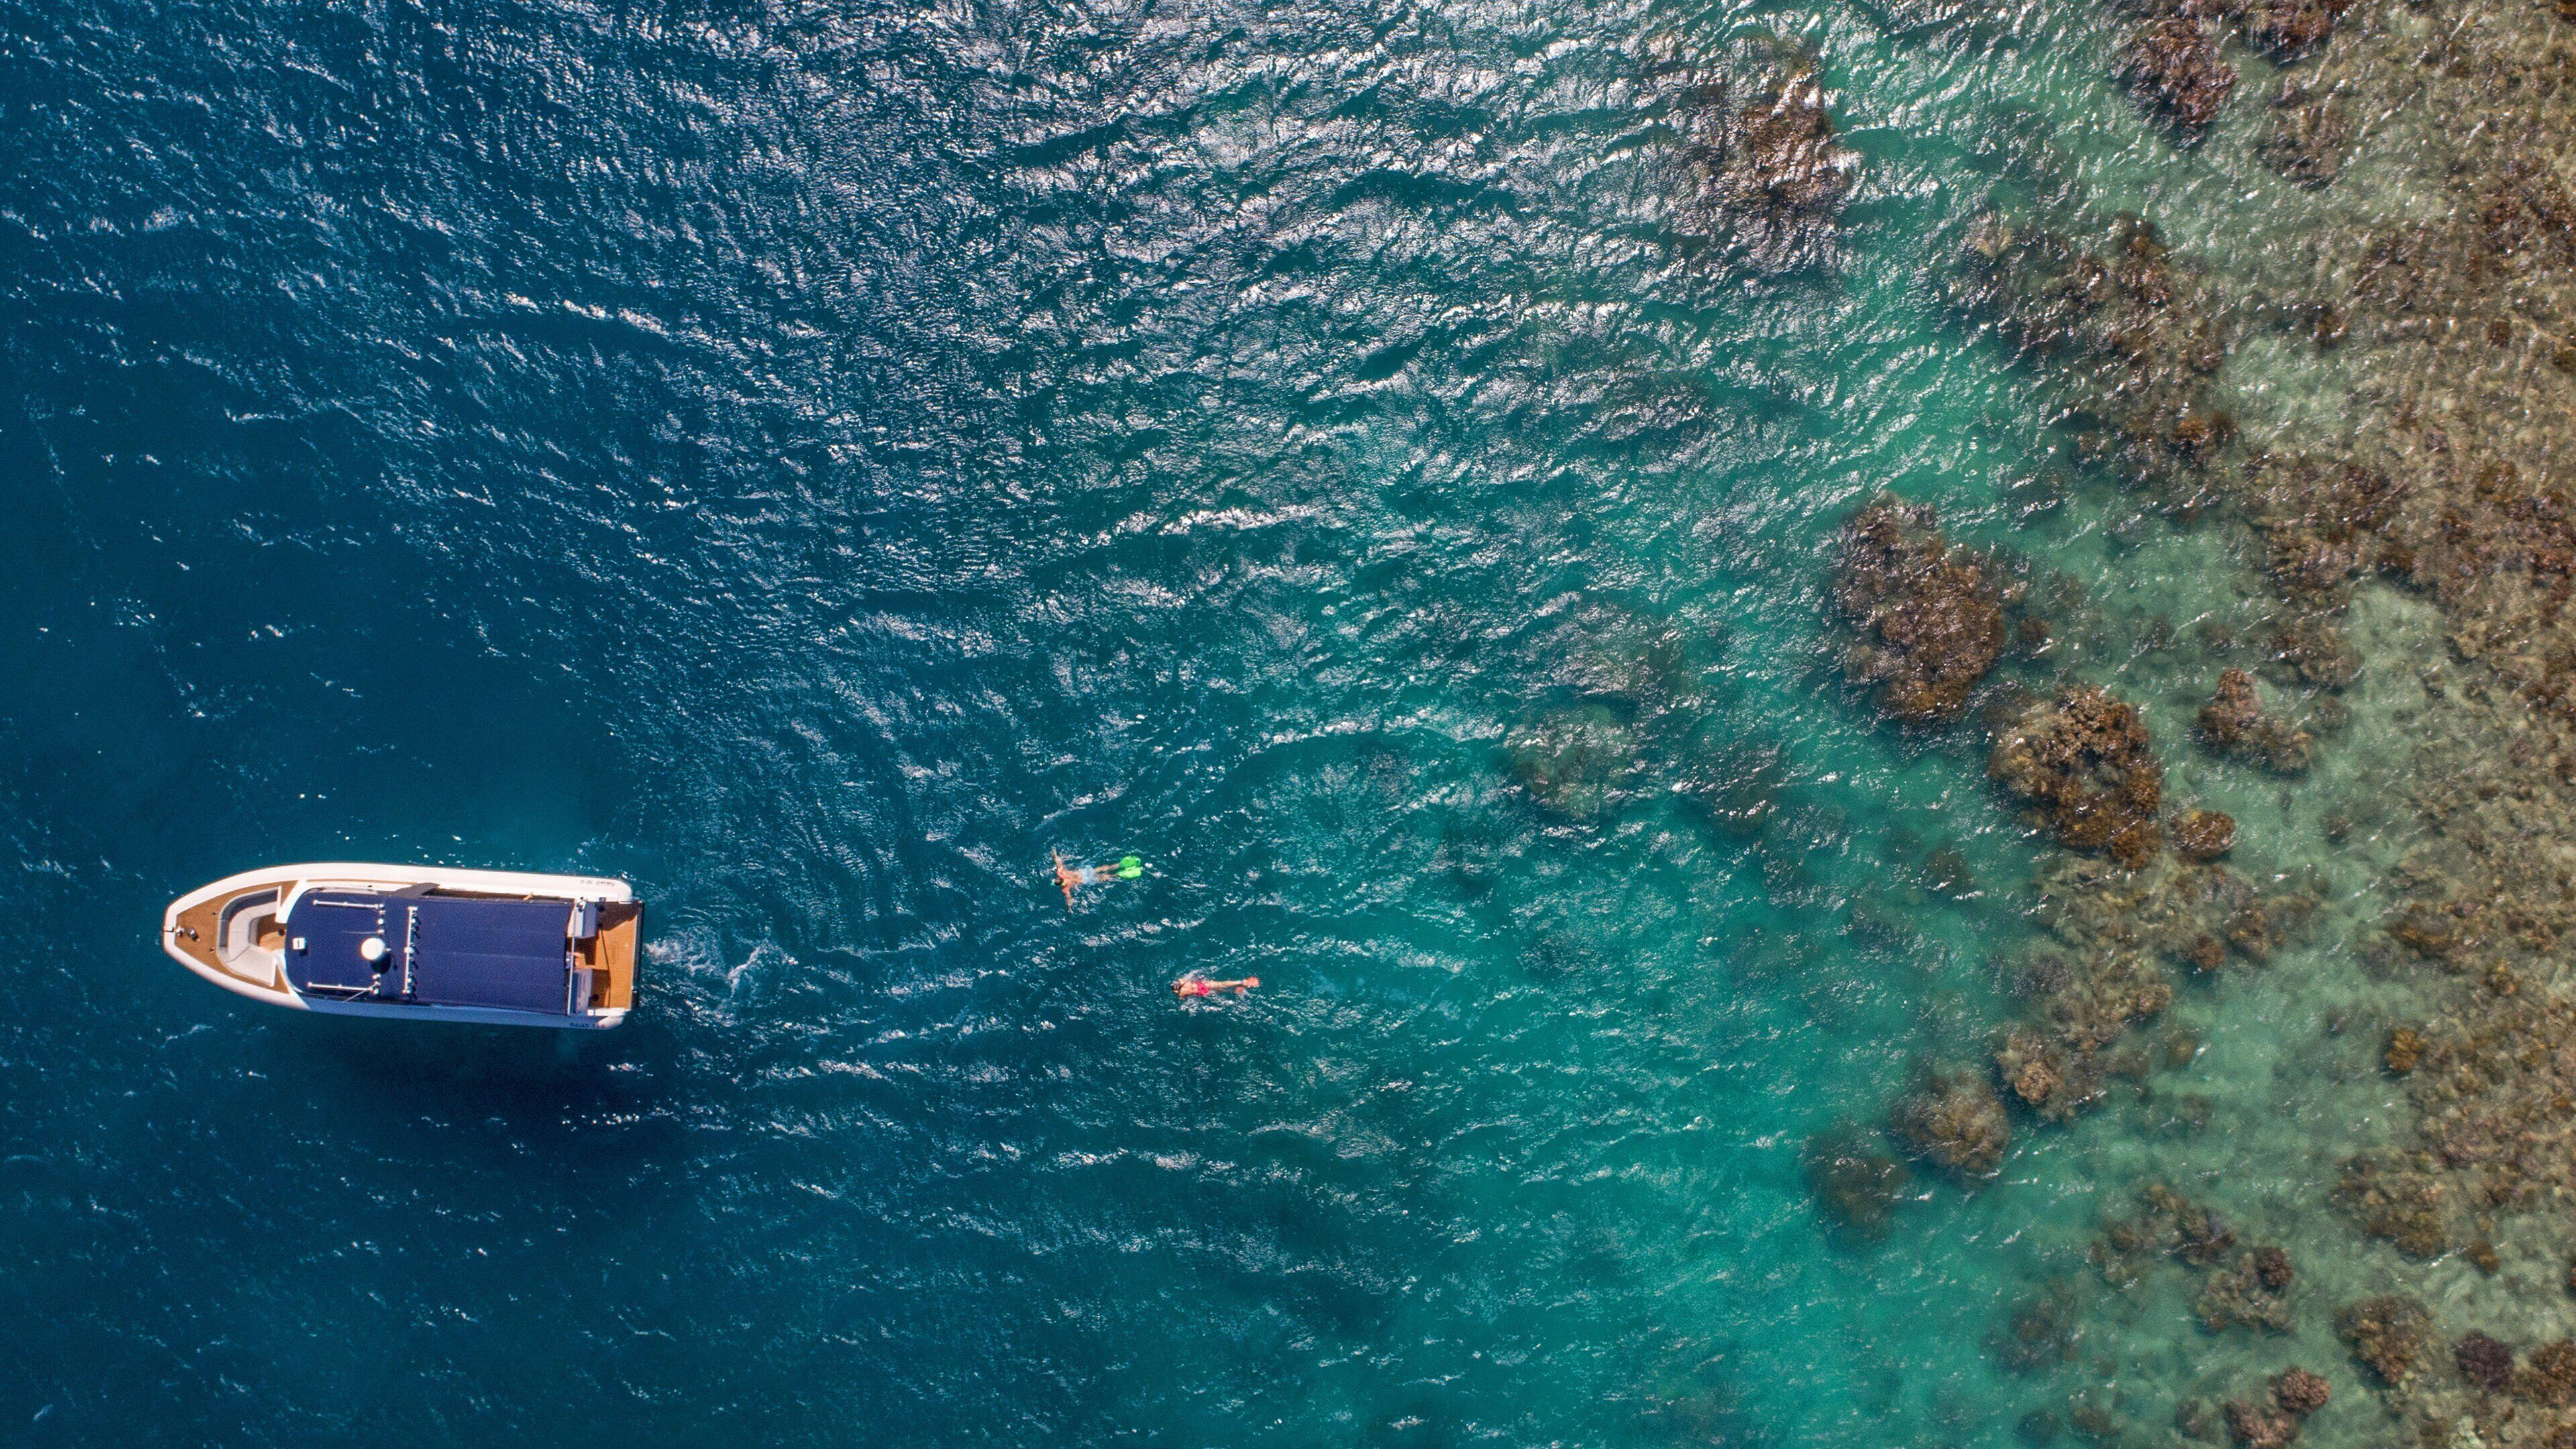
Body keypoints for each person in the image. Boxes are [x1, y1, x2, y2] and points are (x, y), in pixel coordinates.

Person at [1053, 852, 1145, 908]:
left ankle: (1121, 872)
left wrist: (1070, 908)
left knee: (1107, 876)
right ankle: (1121, 865)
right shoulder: (1061, 872)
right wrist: (1055, 854)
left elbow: (1069, 898)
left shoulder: (1065, 887)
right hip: (1085, 873)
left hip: (1087, 879)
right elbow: (1059, 862)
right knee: (1105, 869)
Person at [1173, 973, 1258, 999]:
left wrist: (1178, 995)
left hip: (1202, 992)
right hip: (1203, 985)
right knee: (1222, 984)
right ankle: (1241, 982)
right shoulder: (1183, 981)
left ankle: (1236, 989)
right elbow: (1187, 977)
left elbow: (1181, 998)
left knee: (1220, 990)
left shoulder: (1182, 992)